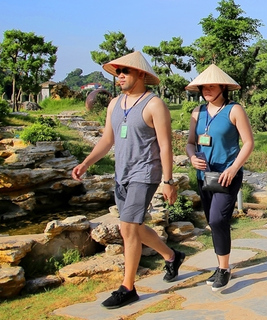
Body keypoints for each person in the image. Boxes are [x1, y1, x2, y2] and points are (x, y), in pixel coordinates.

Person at [71, 51, 185, 309]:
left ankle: (128, 287)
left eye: (125, 72)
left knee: (128, 229)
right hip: (121, 173)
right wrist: (86, 162)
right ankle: (171, 255)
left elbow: (165, 146)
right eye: (118, 72)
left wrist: (168, 181)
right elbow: (107, 140)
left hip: (144, 174)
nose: (120, 76)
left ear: (141, 75)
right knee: (131, 227)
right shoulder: (114, 104)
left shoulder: (154, 105)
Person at [185, 64, 254, 292]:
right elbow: (190, 143)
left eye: (212, 85)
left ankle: (224, 269)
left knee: (217, 220)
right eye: (204, 86)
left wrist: (234, 168)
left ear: (223, 87)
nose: (207, 89)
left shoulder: (234, 110)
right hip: (204, 176)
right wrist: (192, 157)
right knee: (211, 222)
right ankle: (219, 265)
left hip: (226, 175)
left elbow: (249, 143)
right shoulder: (198, 112)